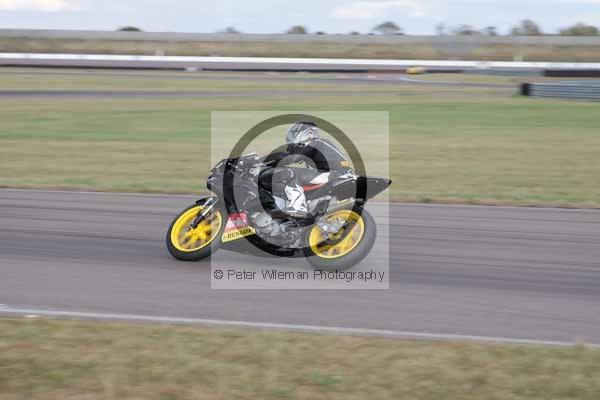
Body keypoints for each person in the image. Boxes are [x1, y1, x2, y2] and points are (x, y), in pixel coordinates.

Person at [259, 122, 355, 217]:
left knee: (289, 172)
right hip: (338, 174)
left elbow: (291, 157)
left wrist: (262, 160)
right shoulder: (317, 145)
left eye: (292, 135)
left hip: (337, 174)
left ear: (305, 133)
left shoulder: (315, 142)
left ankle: (298, 206)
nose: (290, 140)